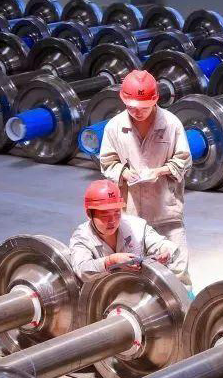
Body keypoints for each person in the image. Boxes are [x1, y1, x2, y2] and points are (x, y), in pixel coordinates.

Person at [98, 69, 192, 289]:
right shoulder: (114, 127)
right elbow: (107, 162)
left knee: (178, 270)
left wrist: (159, 171)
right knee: (133, 273)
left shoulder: (171, 124)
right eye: (131, 107)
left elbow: (184, 160)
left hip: (166, 212)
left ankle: (185, 307)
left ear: (155, 99)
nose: (137, 112)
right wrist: (124, 173)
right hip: (130, 214)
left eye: (143, 107)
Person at [69, 180, 188, 288]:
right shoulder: (82, 237)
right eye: (105, 215)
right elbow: (82, 270)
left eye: (116, 213)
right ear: (89, 214)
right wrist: (110, 261)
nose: (112, 221)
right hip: (102, 296)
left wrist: (165, 250)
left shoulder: (136, 226)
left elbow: (160, 243)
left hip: (137, 290)